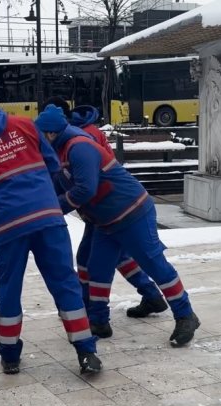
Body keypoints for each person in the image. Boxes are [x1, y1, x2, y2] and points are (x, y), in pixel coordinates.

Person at [0, 82, 101, 375]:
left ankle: (10, 355)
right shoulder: (25, 126)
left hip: (9, 224)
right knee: (65, 283)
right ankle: (86, 351)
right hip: (48, 217)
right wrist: (40, 197)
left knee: (9, 288)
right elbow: (52, 165)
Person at [35, 104, 200, 347]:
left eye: (40, 136)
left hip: (132, 211)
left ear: (50, 133)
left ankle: (186, 314)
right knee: (97, 267)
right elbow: (58, 187)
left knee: (153, 262)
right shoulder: (60, 152)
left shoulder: (79, 147)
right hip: (105, 219)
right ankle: (99, 321)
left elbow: (84, 189)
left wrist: (56, 207)